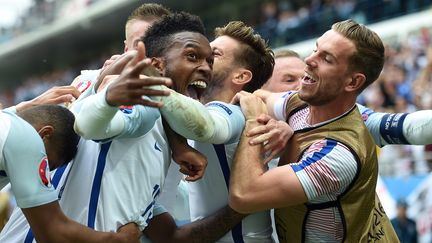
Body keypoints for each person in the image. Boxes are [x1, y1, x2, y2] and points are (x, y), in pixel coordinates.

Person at [229, 19, 399, 242]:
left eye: (326, 58)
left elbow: (244, 195)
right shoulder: (302, 104)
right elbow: (263, 97)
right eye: (315, 50)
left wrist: (253, 120)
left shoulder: (337, 155)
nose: (309, 60)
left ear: (353, 82)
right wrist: (284, 127)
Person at [0, 105, 140, 243]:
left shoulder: (6, 121)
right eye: (46, 163)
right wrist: (120, 239)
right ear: (44, 135)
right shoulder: (25, 138)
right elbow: (51, 232)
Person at [262, 49, 432, 147]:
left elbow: (405, 126)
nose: (303, 84)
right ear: (263, 89)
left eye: (306, 76)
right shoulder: (246, 128)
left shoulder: (338, 115)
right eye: (289, 80)